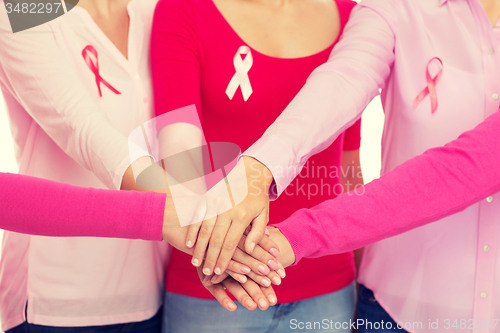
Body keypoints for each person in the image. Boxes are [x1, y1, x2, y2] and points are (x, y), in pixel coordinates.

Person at [205, 0, 500, 332]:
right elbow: (345, 77)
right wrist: (258, 168)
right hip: (397, 309)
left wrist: (293, 238)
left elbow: (467, 167)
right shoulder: (397, 7)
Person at [0, 0, 273, 331]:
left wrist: (214, 240)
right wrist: (208, 236)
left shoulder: (153, 8)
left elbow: (182, 137)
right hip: (57, 298)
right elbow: (83, 130)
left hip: (151, 291)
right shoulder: (22, 10)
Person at [151, 0, 363, 331]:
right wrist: (225, 254)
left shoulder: (351, 15)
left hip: (328, 286)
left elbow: (349, 166)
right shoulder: (184, 9)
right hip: (218, 283)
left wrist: (364, 275)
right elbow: (179, 155)